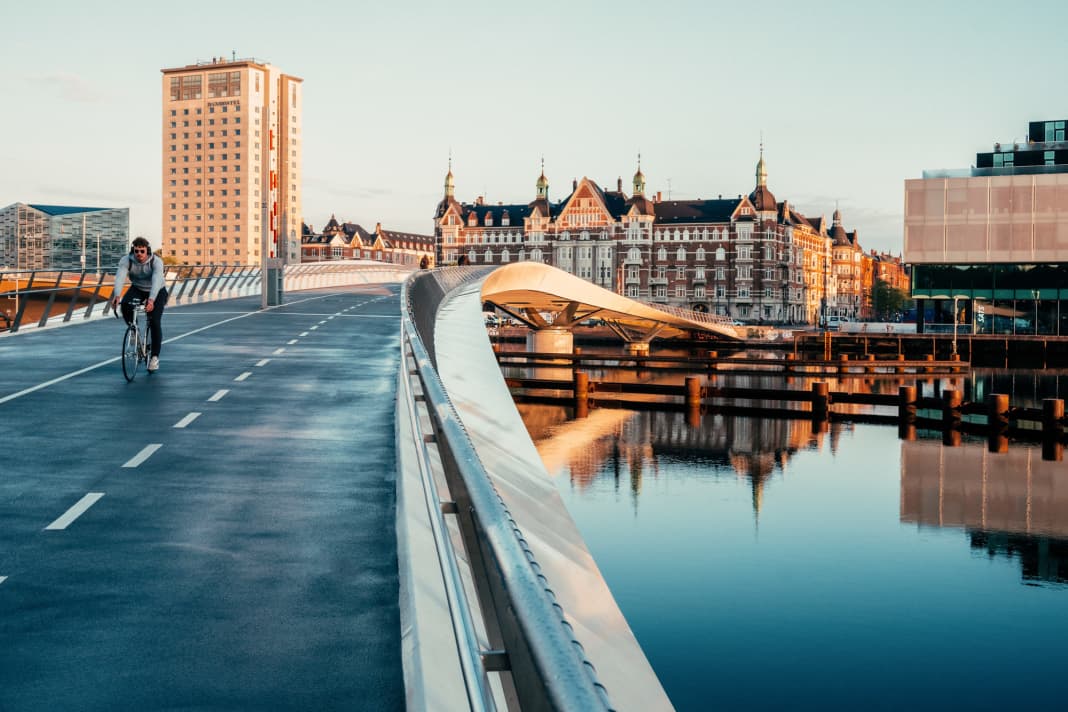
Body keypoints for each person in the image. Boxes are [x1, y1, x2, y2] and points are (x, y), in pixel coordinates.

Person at [111, 237, 168, 372]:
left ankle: (154, 358)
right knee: (125, 304)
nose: (139, 254)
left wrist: (152, 300)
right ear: (133, 251)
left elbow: (156, 281)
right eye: (136, 251)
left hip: (157, 290)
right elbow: (120, 277)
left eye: (142, 251)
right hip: (137, 288)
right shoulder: (126, 260)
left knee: (154, 321)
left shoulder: (156, 262)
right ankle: (134, 330)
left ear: (147, 251)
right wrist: (117, 295)